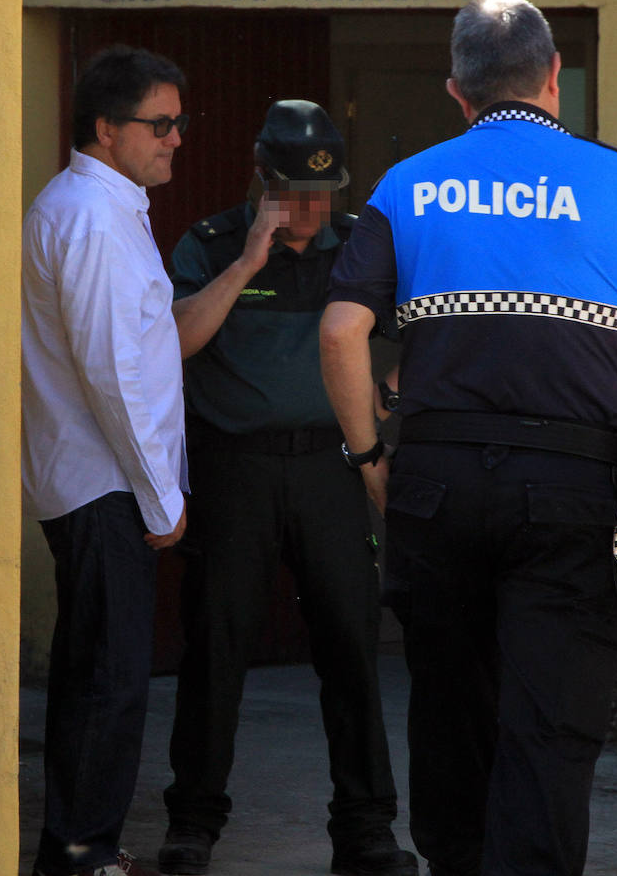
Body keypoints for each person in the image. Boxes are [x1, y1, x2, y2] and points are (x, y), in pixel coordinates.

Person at [320, 0, 617, 876]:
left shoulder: (407, 184)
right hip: (570, 487)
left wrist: (368, 458)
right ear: (554, 80)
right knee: (551, 719)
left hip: (435, 482)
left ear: (457, 92)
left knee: (450, 709)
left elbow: (343, 331)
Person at [158, 100, 416, 876]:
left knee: (349, 645)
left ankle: (365, 829)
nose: (310, 208)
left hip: (330, 467)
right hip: (234, 468)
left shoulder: (359, 250)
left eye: (323, 192)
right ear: (259, 181)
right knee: (217, 645)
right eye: (294, 193)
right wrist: (249, 262)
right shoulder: (209, 246)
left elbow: (420, 328)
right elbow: (172, 340)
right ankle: (194, 824)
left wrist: (393, 387)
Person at [22, 45, 190, 876]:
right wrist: (164, 500)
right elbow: (113, 370)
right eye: (158, 125)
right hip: (103, 484)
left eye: (176, 123)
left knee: (100, 672)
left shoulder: (102, 207)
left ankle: (77, 848)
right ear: (104, 127)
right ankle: (82, 857)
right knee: (110, 681)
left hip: (95, 479)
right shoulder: (90, 216)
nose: (174, 140)